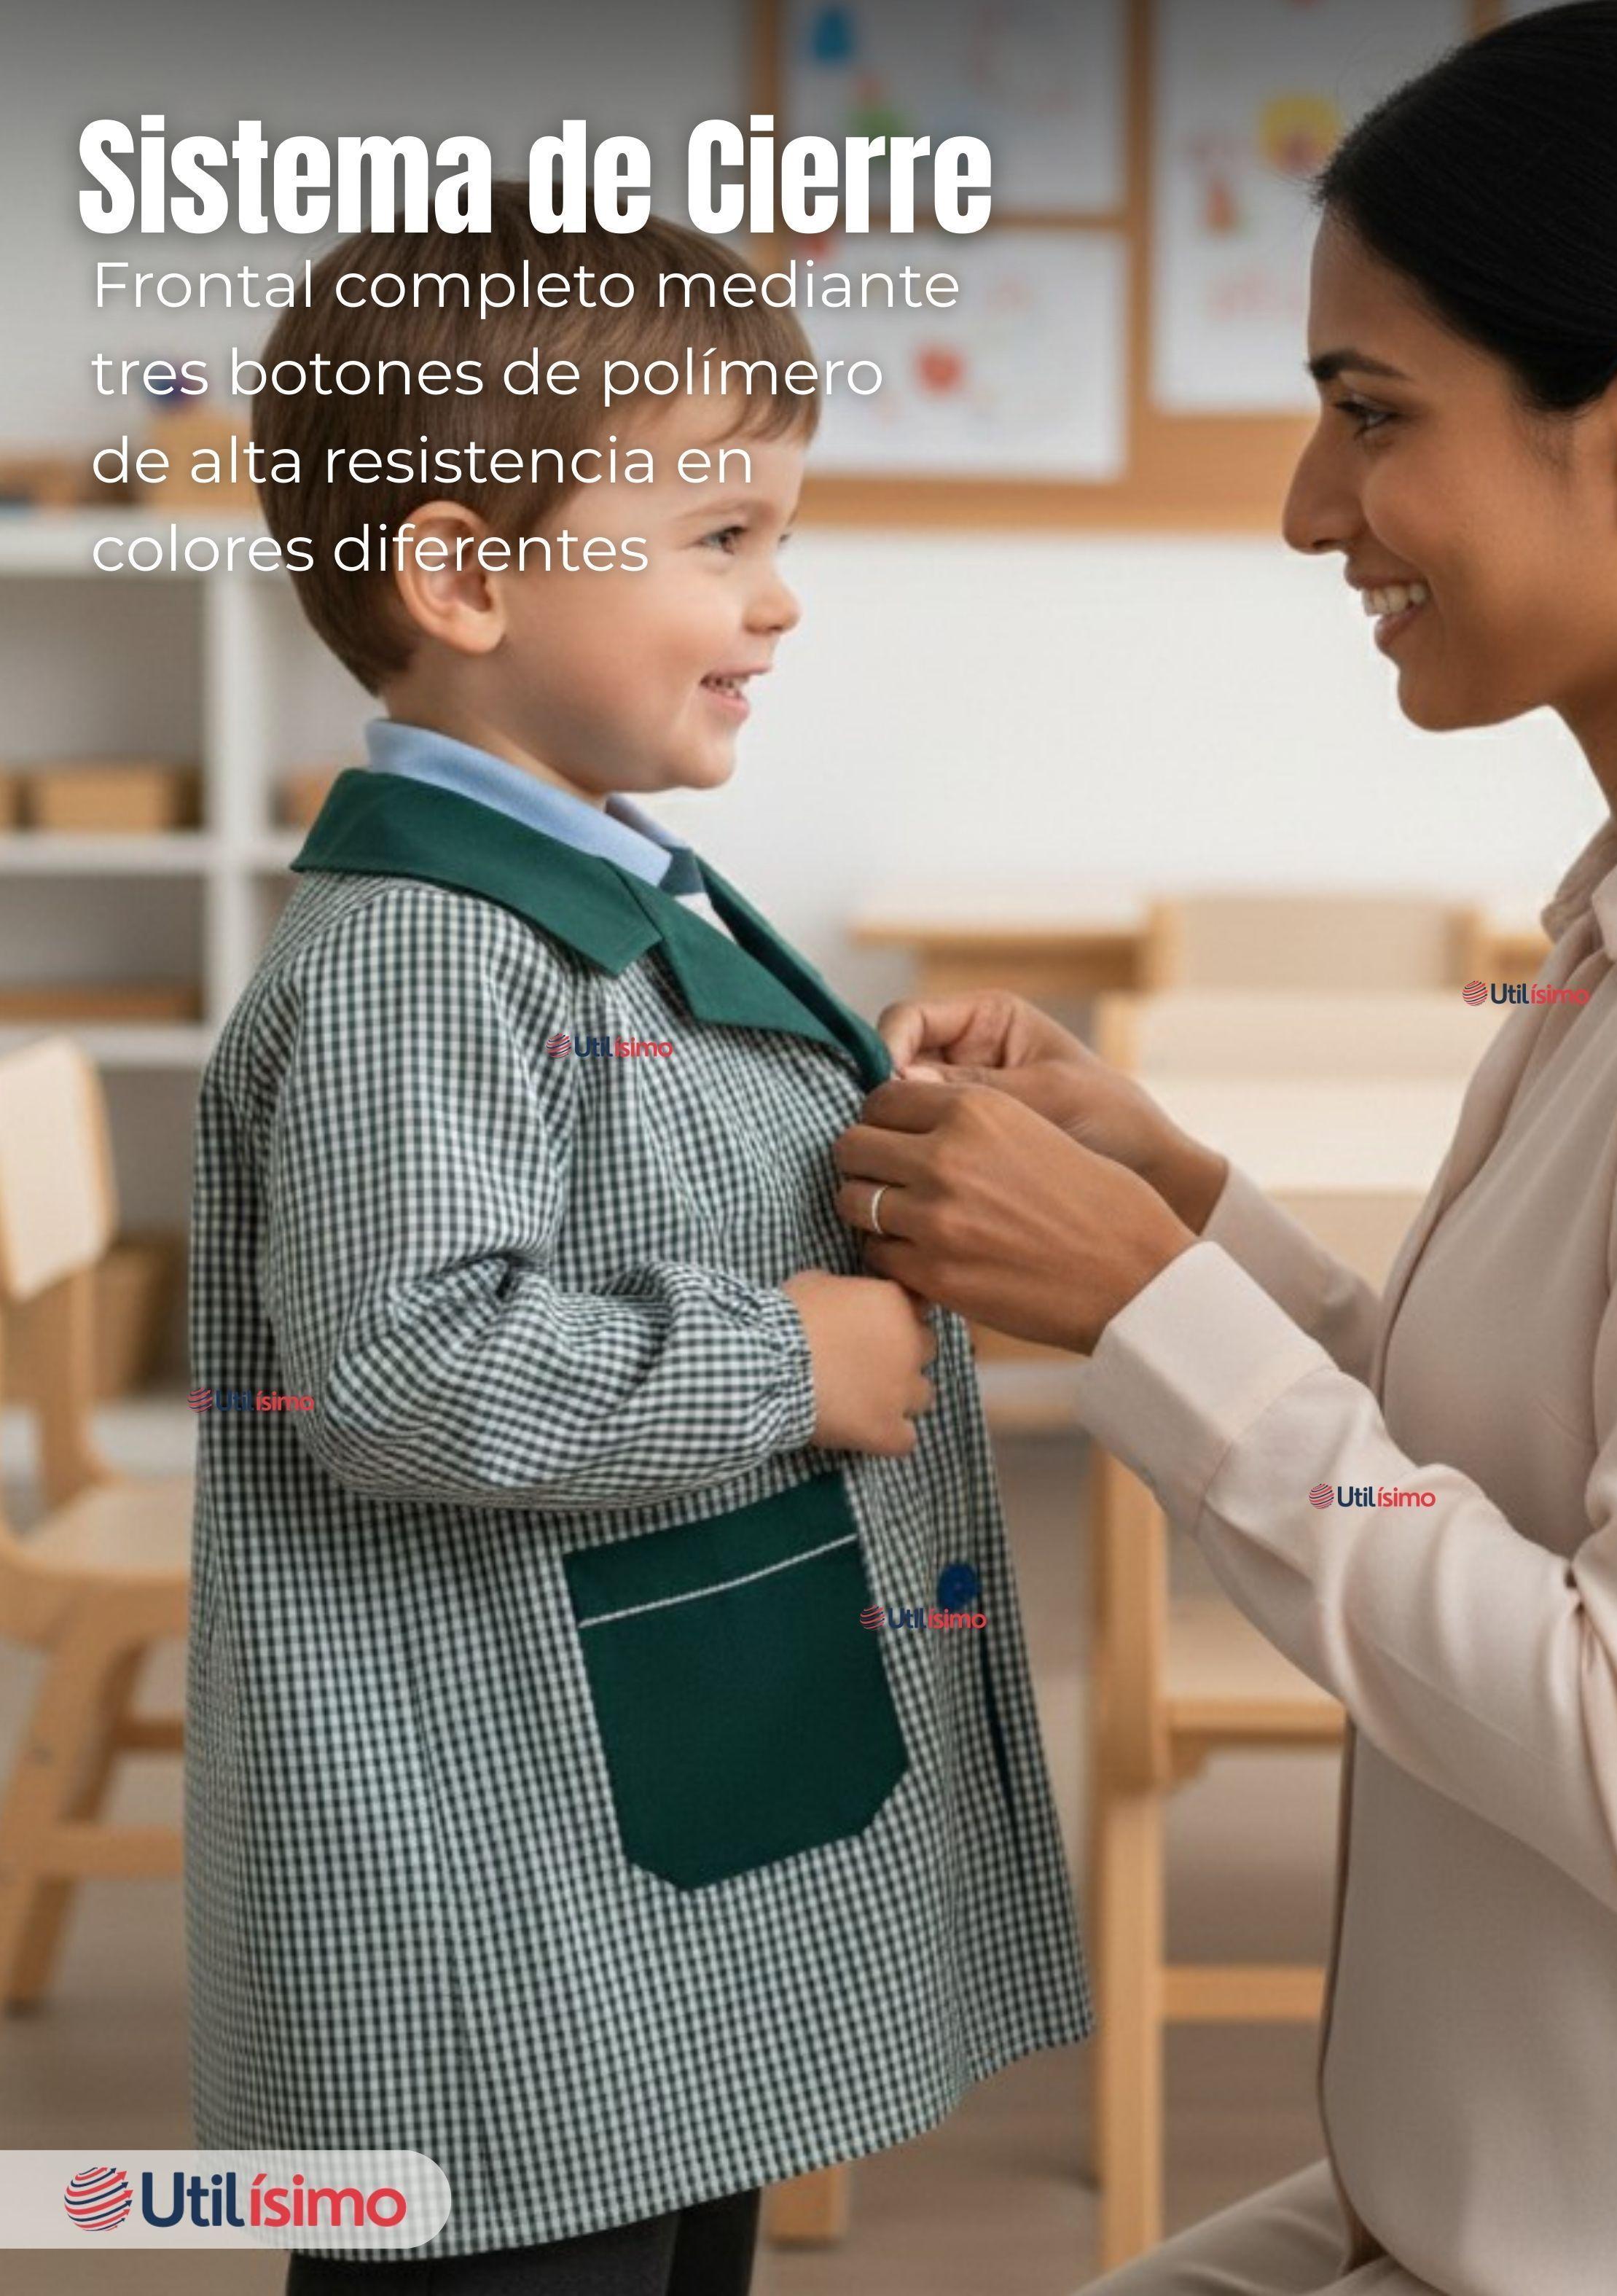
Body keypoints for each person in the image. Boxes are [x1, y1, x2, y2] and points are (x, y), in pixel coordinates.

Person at [831, 7, 1617, 2292]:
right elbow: (1509, 1462)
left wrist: (1145, 1311)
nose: (1312, 512)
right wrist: (1185, 1208)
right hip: (1455, 2181)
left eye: (1368, 416)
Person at [184, 192, 1090, 2293]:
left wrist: (874, 1139)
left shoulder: (582, 896)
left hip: (629, 1832)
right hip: (504, 1909)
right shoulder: (429, 952)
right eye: (716, 536)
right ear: (464, 572)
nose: (779, 604)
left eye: (774, 535)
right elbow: (405, 1369)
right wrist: (797, 1359)